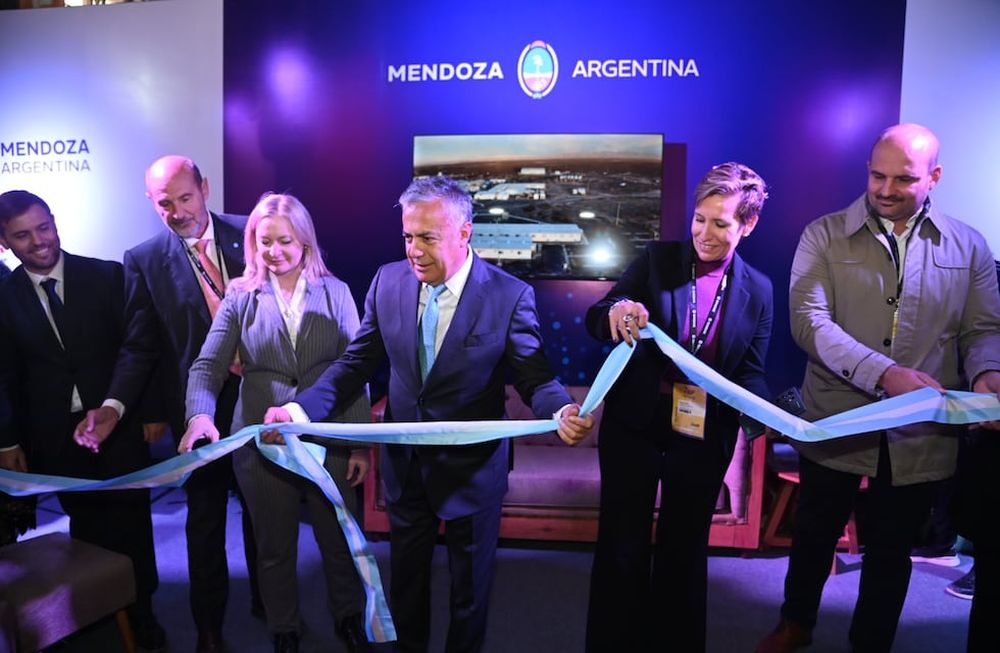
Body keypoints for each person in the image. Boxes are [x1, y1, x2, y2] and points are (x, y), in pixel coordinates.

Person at [262, 176, 594, 653]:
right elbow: (355, 364)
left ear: (464, 233)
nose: (414, 250)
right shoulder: (387, 280)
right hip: (406, 471)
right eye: (408, 236)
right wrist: (297, 410)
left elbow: (534, 377)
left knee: (469, 596)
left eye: (428, 238)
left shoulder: (509, 296)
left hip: (472, 474)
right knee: (406, 590)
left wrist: (561, 408)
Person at [755, 123, 1000, 653]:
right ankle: (795, 622)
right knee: (815, 532)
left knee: (892, 549)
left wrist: (987, 377)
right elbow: (809, 323)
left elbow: (983, 330)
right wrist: (884, 374)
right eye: (876, 175)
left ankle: (871, 642)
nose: (886, 189)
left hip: (919, 432)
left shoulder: (971, 246)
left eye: (904, 179)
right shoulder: (822, 234)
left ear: (934, 177)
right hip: (836, 419)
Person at [73, 155, 260, 653]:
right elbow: (140, 346)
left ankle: (270, 603)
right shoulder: (144, 258)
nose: (178, 212)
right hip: (198, 413)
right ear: (151, 204)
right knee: (204, 521)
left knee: (268, 511)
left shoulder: (257, 231)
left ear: (204, 187)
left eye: (185, 198)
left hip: (266, 402)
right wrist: (114, 405)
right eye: (165, 204)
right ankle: (209, 628)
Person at [583, 162, 773, 652]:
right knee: (622, 547)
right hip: (635, 426)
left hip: (704, 432)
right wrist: (618, 313)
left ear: (747, 225)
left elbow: (749, 371)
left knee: (683, 550)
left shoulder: (760, 291)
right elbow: (597, 315)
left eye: (721, 223)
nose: (704, 234)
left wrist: (766, 414)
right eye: (699, 218)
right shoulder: (657, 260)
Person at [178, 193, 373, 653]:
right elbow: (207, 365)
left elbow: (356, 368)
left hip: (328, 440)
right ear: (252, 244)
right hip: (261, 446)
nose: (274, 251)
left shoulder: (337, 291)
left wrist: (360, 444)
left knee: (338, 540)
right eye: (264, 242)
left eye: (284, 240)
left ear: (305, 241)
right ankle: (283, 628)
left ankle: (348, 617)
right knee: (273, 546)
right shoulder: (240, 295)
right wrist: (200, 415)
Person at [0, 190, 165, 652]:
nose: (39, 242)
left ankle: (144, 617)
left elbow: (141, 347)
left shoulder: (107, 275)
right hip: (54, 435)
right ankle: (98, 613)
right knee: (87, 529)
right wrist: (7, 439)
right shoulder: (4, 297)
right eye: (23, 236)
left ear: (54, 222)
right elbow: (3, 375)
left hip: (120, 422)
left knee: (133, 526)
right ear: (4, 242)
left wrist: (145, 411)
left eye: (44, 227)